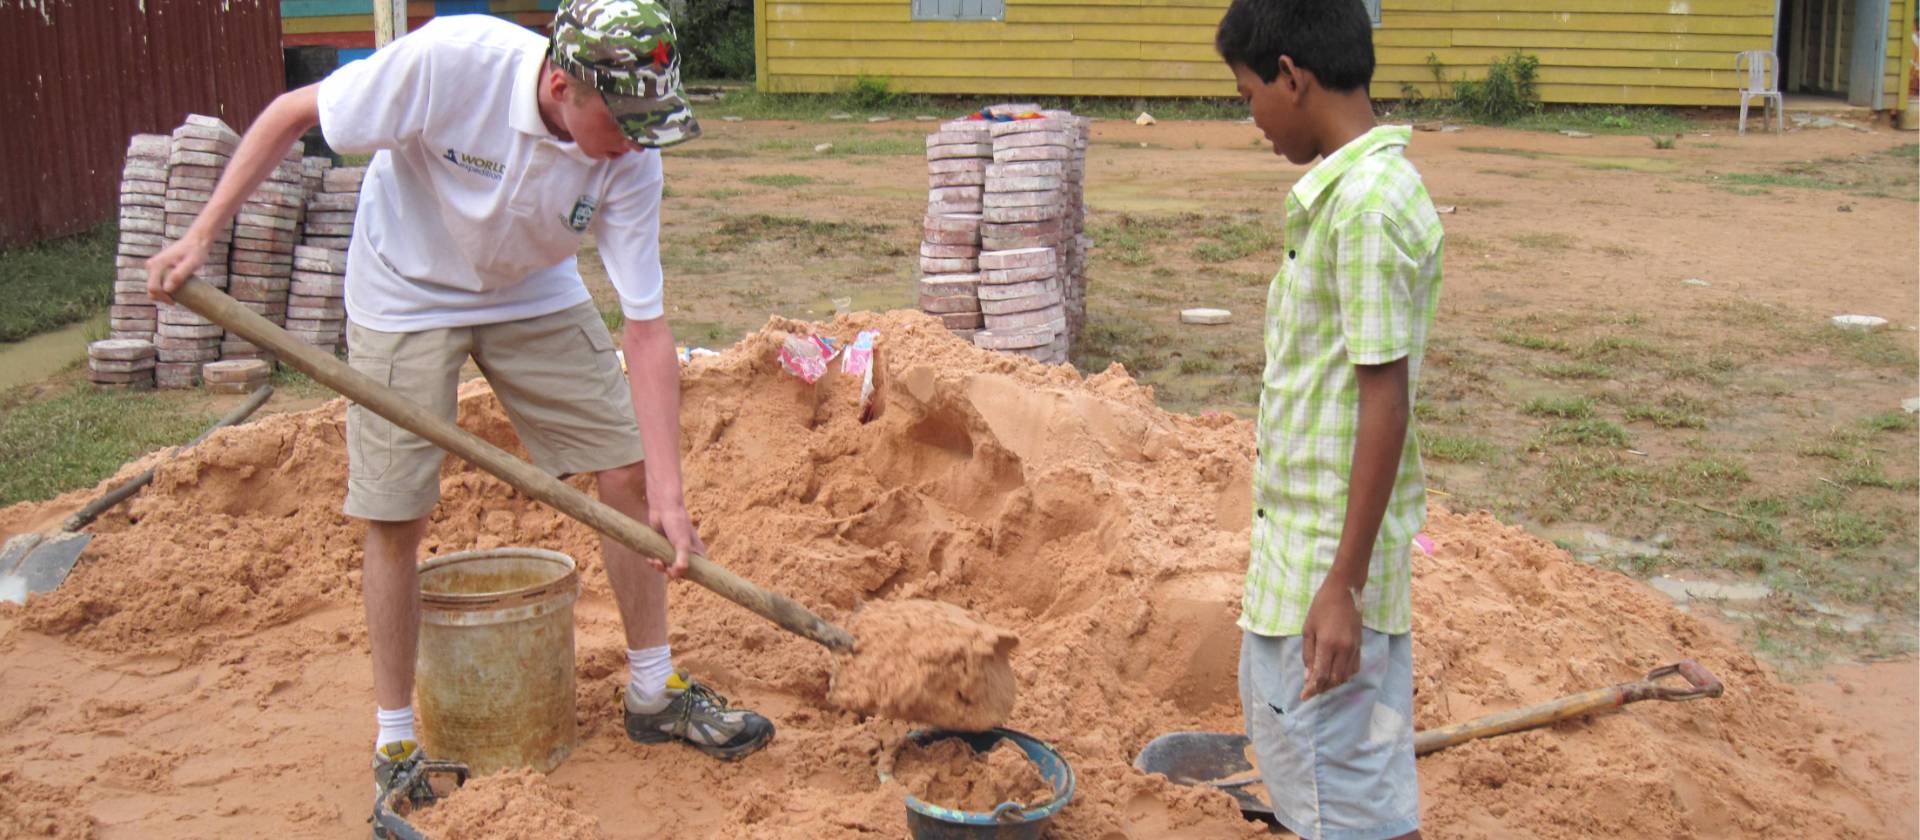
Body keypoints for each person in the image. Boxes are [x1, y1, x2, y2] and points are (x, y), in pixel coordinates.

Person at [144, 0, 775, 811]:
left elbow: (646, 329)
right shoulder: (450, 62)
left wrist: (671, 495)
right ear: (561, 85)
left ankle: (653, 691)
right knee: (396, 508)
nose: (636, 141)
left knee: (626, 469)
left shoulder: (629, 157)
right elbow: (291, 111)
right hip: (403, 287)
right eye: (622, 120)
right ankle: (397, 739)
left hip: (531, 290)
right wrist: (201, 235)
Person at [1215, 1, 1444, 838]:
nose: (1254, 120)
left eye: (1248, 96)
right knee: (1337, 788)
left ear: (1290, 75)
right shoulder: (1357, 193)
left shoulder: (1366, 210)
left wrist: (1341, 587)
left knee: (1335, 795)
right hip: (1305, 566)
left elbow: (1385, 398)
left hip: (1323, 580)